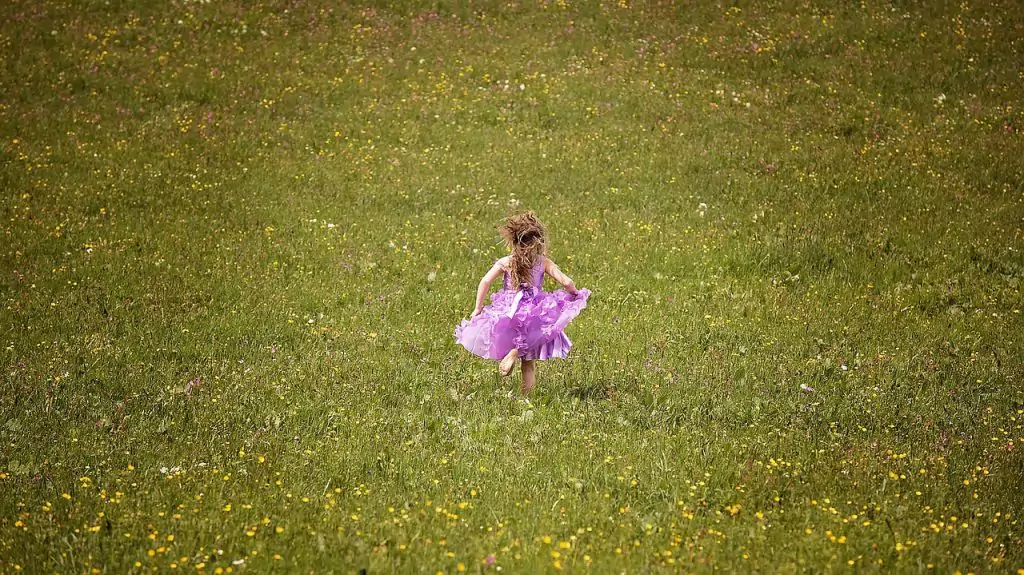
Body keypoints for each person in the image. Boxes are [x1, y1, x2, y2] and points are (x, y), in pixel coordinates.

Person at [454, 211, 590, 394]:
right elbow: (566, 282)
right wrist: (574, 293)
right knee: (529, 362)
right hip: (534, 309)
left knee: (510, 339)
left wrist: (477, 308)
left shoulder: (506, 262)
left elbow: (485, 281)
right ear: (538, 241)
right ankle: (525, 389)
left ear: (514, 240)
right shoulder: (542, 262)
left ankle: (512, 351)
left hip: (509, 309)